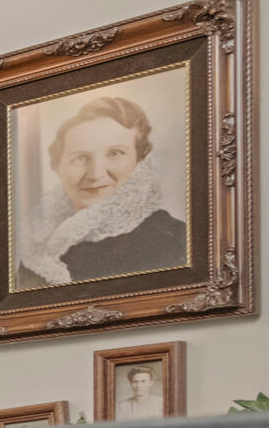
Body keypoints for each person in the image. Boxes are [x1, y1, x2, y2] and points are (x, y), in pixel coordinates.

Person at [18, 93, 187, 287]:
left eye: (115, 153)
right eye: (80, 158)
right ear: (58, 166)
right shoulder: (38, 246)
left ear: (140, 161)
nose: (96, 174)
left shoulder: (173, 239)